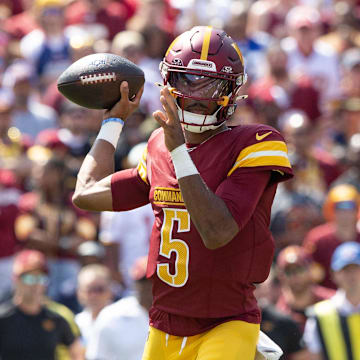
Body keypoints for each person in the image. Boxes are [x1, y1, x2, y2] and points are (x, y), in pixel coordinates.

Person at [73, 25, 293, 360]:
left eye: (211, 84)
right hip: (164, 323)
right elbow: (85, 194)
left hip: (226, 321)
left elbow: (217, 231)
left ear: (233, 91)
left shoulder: (256, 142)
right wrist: (113, 122)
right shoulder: (158, 145)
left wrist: (179, 152)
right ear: (167, 83)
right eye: (187, 81)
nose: (198, 95)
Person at [0, 249, 84, 360]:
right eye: (29, 278)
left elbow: (77, 353)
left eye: (41, 278)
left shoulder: (56, 319)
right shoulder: (4, 319)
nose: (36, 284)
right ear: (16, 280)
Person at [86, 256, 152, 360]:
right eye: (145, 281)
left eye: (154, 281)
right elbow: (96, 356)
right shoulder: (111, 315)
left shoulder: (176, 315)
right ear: (135, 283)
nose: (150, 286)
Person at [303, 241, 360, 360]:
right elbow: (314, 356)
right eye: (345, 270)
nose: (351, 275)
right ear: (334, 275)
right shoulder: (319, 315)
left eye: (356, 268)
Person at [303, 183, 360, 289]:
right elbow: (308, 277)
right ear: (331, 210)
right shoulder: (317, 240)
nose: (345, 214)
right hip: (327, 301)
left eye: (350, 208)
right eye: (339, 208)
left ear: (357, 210)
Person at [275, 245, 334, 333]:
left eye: (300, 270)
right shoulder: (278, 313)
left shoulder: (331, 302)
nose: (295, 276)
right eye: (288, 272)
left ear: (311, 270)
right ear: (280, 276)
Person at [75, 264, 113, 346]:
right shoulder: (76, 323)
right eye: (89, 290)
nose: (94, 295)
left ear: (110, 291)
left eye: (99, 289)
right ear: (79, 293)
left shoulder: (121, 320)